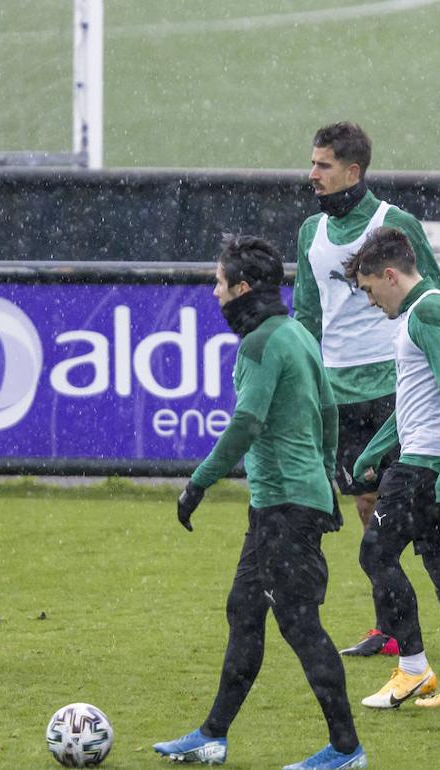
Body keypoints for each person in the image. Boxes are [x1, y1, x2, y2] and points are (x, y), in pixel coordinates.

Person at [152, 235, 365, 770]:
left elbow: (247, 423)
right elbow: (330, 413)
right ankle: (212, 736)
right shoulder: (296, 333)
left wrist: (198, 483)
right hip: (290, 503)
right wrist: (326, 478)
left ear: (242, 289)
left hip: (286, 508)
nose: (214, 290)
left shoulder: (258, 345)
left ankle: (346, 750)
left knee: (299, 624)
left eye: (220, 282)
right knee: (245, 610)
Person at [293, 121, 440, 661]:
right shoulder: (309, 232)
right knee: (368, 508)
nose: (311, 174)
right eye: (313, 163)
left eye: (322, 165)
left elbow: (434, 296)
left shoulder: (394, 223)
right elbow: (307, 315)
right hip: (340, 393)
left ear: (353, 171)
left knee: (425, 514)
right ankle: (390, 627)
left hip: (395, 386)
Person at [342, 227, 440, 711]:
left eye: (369, 289)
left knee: (376, 555)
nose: (370, 301)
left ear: (390, 275)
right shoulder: (437, 307)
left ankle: (412, 669)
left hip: (428, 465)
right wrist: (375, 449)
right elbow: (420, 397)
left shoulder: (426, 312)